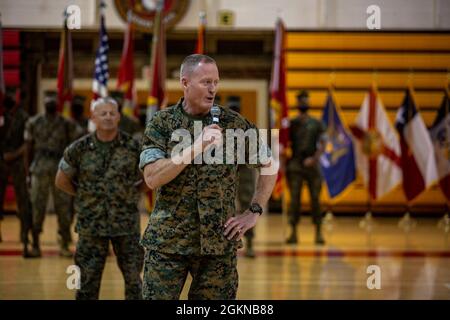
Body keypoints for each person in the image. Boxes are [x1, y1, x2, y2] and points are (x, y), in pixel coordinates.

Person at [140, 54, 277, 300]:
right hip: (168, 244)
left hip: (218, 246)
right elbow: (152, 178)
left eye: (216, 82)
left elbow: (269, 165)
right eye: (205, 82)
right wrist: (196, 146)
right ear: (185, 83)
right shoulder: (162, 123)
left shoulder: (234, 124)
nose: (213, 88)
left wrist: (253, 211)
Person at [55, 97, 145, 300]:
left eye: (112, 113)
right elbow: (61, 180)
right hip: (91, 224)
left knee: (134, 283)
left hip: (126, 225)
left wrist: (133, 192)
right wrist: (83, 194)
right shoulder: (79, 148)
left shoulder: (133, 146)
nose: (108, 117)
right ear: (93, 117)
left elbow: (148, 177)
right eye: (103, 113)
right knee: (87, 283)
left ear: (119, 117)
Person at [24, 93, 76, 257]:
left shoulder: (66, 123)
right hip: (39, 168)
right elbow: (28, 148)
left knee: (64, 208)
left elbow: (73, 148)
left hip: (61, 168)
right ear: (43, 102)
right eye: (47, 99)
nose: (50, 102)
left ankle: (65, 243)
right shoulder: (33, 122)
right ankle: (36, 243)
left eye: (53, 99)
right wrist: (27, 172)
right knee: (37, 207)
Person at [286, 90, 326, 245]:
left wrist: (314, 158)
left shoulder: (317, 123)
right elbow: (284, 144)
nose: (304, 103)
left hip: (312, 165)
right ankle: (293, 232)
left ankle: (319, 232)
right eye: (301, 101)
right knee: (294, 199)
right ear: (297, 104)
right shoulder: (291, 123)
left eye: (306, 101)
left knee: (316, 199)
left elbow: (323, 144)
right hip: (295, 164)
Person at [0, 89, 36, 257]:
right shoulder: (2, 116)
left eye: (13, 95)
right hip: (1, 161)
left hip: (17, 163)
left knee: (23, 201)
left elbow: (27, 144)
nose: (10, 98)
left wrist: (12, 155)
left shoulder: (24, 117)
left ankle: (24, 236)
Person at [226, 95, 257, 258]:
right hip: (225, 171)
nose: (234, 111)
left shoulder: (247, 127)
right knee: (225, 207)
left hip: (244, 170)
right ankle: (227, 243)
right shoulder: (218, 127)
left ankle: (250, 242)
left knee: (246, 205)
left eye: (236, 108)